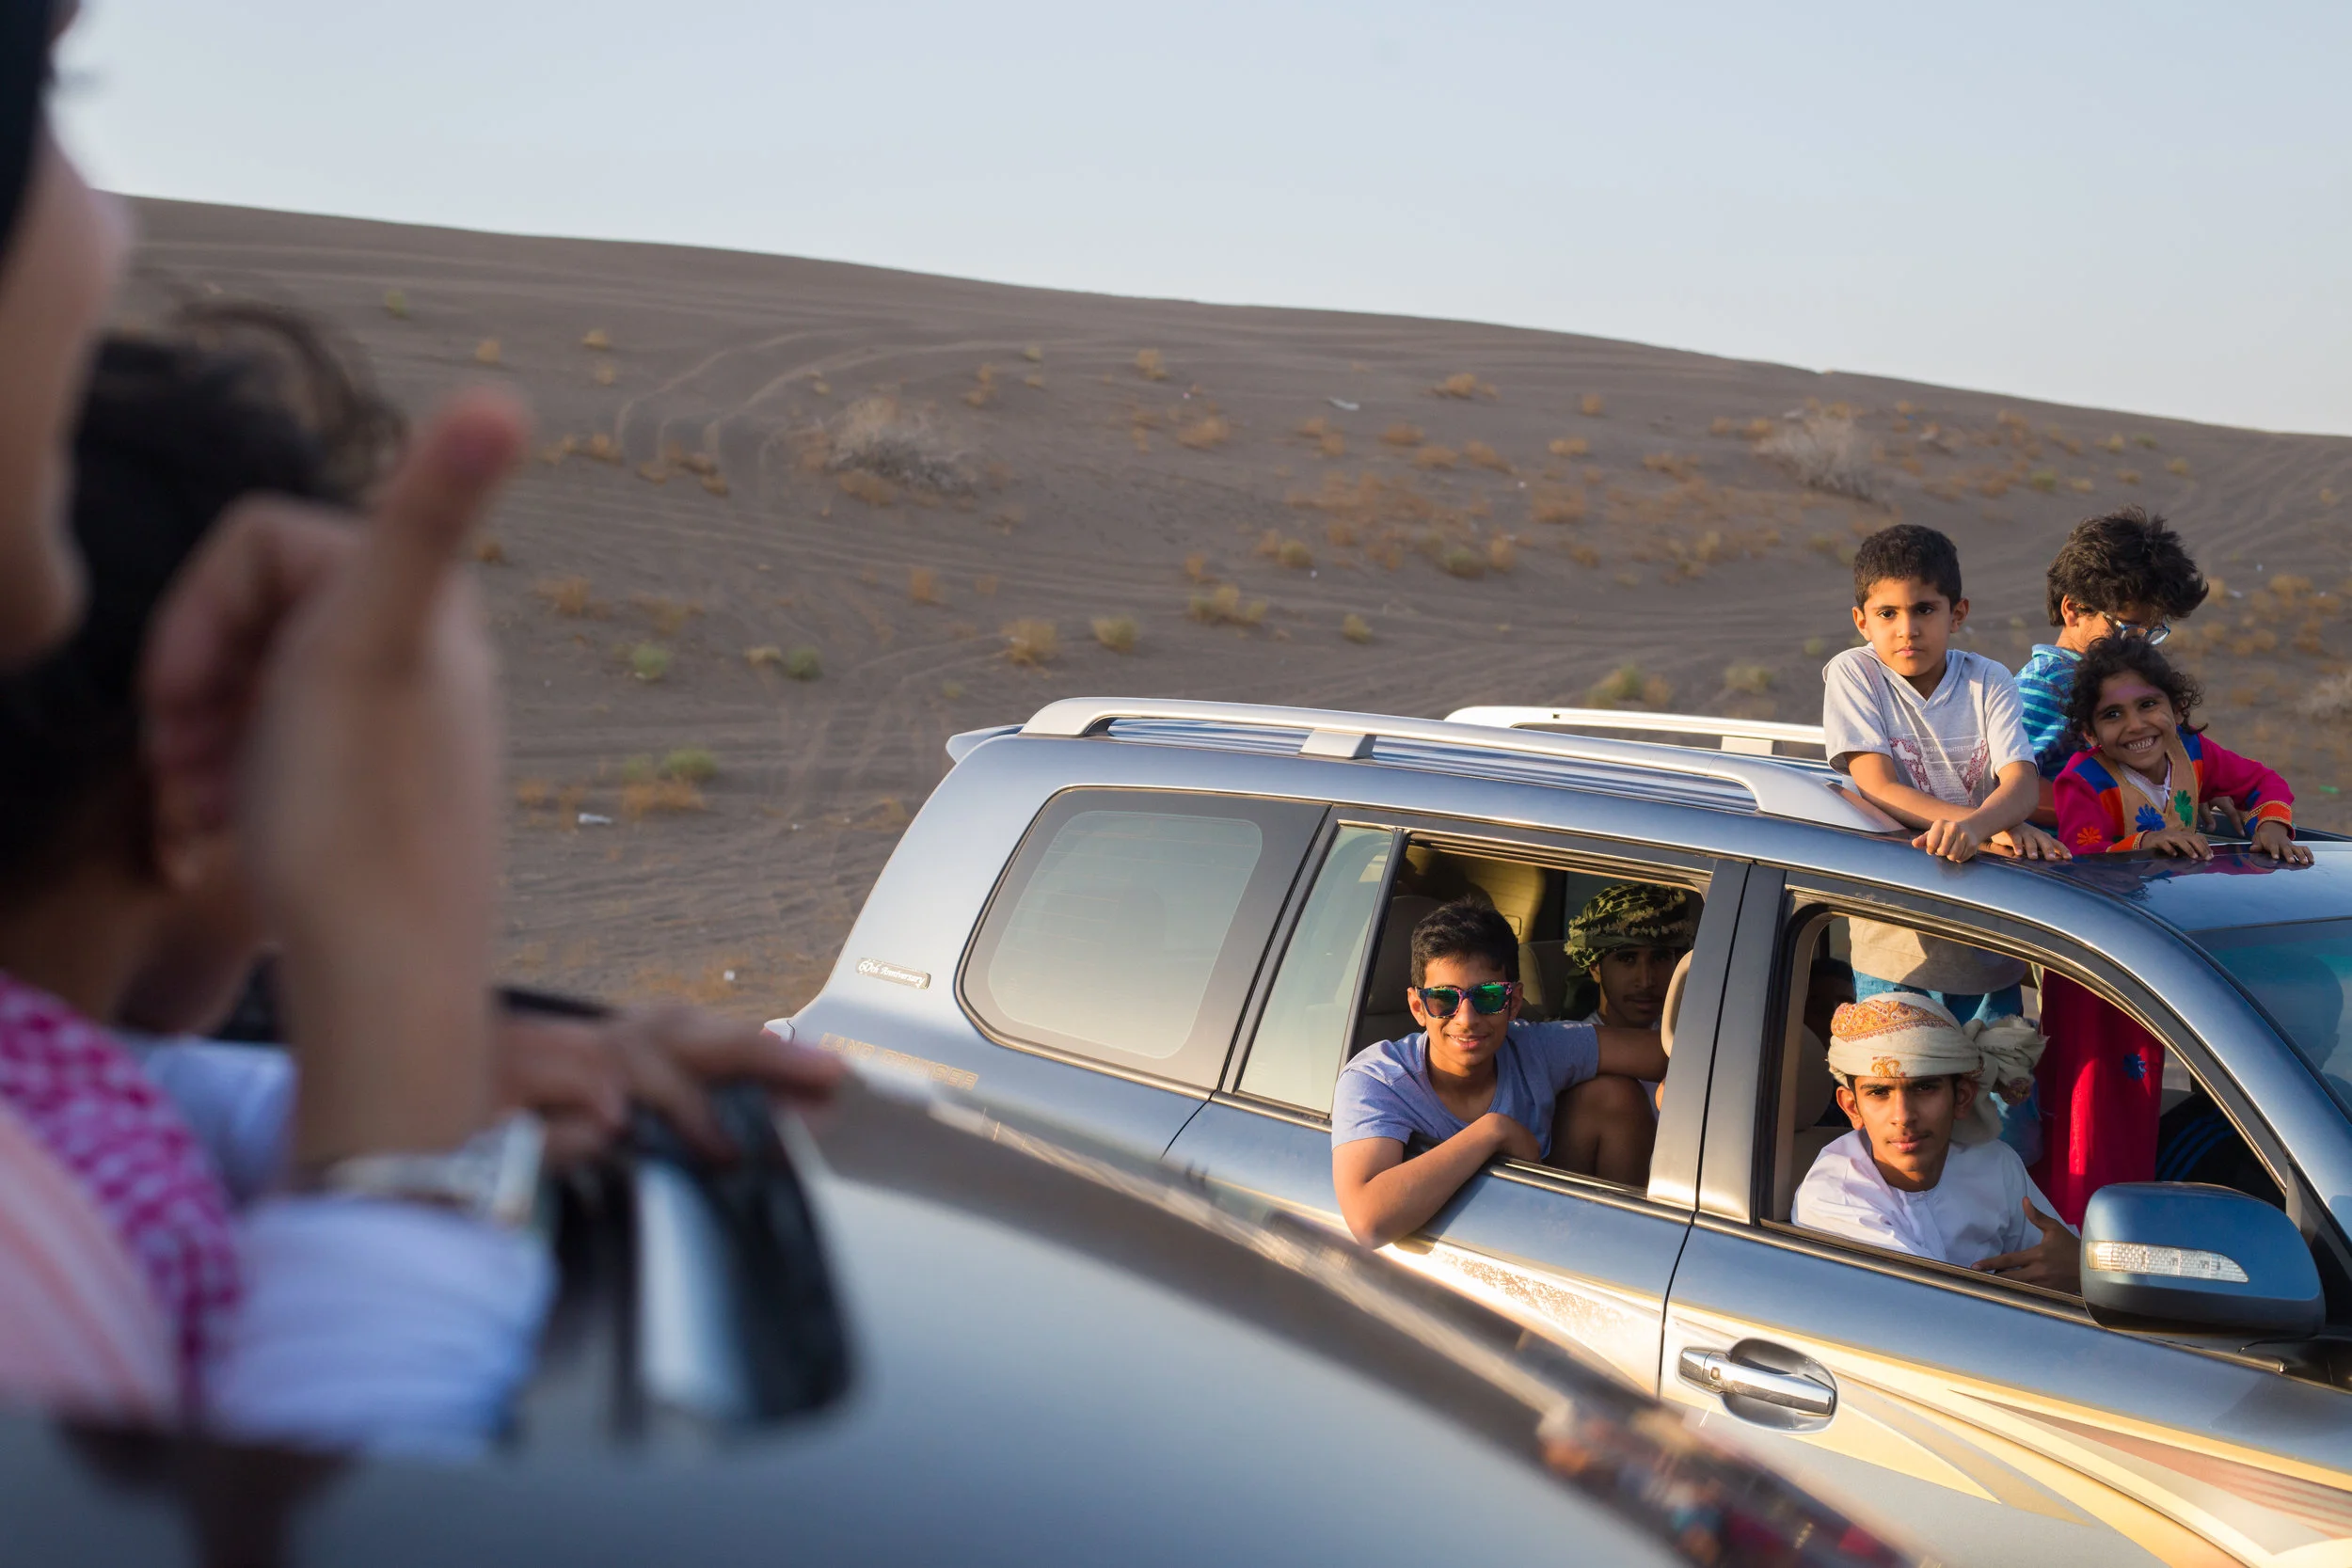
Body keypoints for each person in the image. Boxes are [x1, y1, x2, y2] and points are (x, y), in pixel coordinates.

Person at [0, 316, 842, 1445]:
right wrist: (397, 1097)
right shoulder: (38, 1274)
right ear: (196, 801)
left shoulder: (66, 1113)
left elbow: (121, 1084)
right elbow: (337, 1510)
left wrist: (440, 1084)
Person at [1331, 899, 1666, 1247]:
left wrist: (1671, 1093)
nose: (1467, 1019)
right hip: (1456, 1269)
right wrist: (1493, 1131)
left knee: (1614, 1095)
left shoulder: (1533, 1047)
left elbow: (1669, 1057)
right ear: (1418, 1007)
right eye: (1445, 999)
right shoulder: (1379, 1079)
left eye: (1488, 996)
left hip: (1551, 1237)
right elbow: (1369, 1223)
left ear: (1514, 1002)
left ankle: (1626, 1247)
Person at [1794, 992, 2076, 1292]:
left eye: (1924, 1088)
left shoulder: (1994, 1162)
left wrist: (2079, 1270)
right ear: (1852, 1107)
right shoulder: (1833, 1200)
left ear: (1962, 1097)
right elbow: (1935, 1311)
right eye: (1879, 1093)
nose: (1903, 1116)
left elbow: (2060, 1260)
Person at [2053, 636, 2305, 863]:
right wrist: (2146, 843)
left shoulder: (2192, 751)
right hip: (2123, 910)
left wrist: (2271, 828)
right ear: (2090, 732)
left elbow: (2263, 781)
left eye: (2148, 704)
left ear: (2177, 710)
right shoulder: (2082, 781)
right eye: (2113, 714)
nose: (2136, 726)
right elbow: (2082, 859)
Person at [2016, 508, 2210, 786]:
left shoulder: (2137, 681)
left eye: (2151, 631)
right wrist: (2108, 809)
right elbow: (2003, 788)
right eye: (2126, 628)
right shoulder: (2045, 686)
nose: (2139, 643)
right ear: (2073, 610)